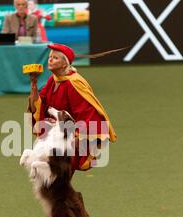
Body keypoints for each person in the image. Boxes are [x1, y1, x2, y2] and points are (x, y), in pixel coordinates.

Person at [27, 44, 117, 174]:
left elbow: (87, 113)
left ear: (65, 64)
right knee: (53, 181)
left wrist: (75, 141)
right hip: (54, 135)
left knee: (57, 180)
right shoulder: (53, 80)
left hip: (69, 138)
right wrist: (34, 84)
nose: (50, 60)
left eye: (55, 58)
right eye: (50, 57)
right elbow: (40, 104)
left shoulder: (73, 83)